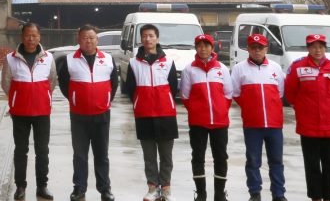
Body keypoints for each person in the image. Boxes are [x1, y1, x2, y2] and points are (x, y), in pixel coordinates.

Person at [55, 25, 118, 201]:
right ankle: (79, 188)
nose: (88, 41)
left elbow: (114, 84)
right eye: (84, 38)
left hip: (102, 114)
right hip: (79, 116)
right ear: (79, 40)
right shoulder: (69, 60)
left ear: (97, 40)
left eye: (92, 38)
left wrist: (106, 100)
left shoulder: (108, 59)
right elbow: (64, 85)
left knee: (102, 154)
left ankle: (105, 189)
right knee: (80, 155)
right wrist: (76, 99)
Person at [285, 33, 330, 201]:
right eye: (313, 47)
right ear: (308, 48)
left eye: (320, 47)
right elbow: (290, 92)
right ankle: (316, 197)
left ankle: (329, 196)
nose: (317, 50)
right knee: (311, 164)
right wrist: (302, 108)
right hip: (308, 125)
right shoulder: (297, 67)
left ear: (325, 48)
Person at [122, 24, 178, 201]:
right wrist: (141, 101)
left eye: (151, 35)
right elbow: (130, 88)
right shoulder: (134, 63)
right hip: (144, 115)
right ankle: (152, 188)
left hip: (166, 115)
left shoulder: (168, 62)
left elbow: (173, 87)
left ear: (157, 38)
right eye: (145, 36)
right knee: (149, 156)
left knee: (166, 156)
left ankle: (166, 189)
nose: (148, 39)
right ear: (141, 39)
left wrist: (164, 100)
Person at [2, 23, 58, 200]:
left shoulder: (48, 57)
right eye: (27, 35)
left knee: (42, 150)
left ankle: (42, 186)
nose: (31, 39)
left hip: (42, 112)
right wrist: (18, 97)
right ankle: (20, 186)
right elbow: (6, 83)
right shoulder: (11, 58)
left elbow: (52, 80)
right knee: (21, 150)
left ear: (39, 37)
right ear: (22, 37)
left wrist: (43, 96)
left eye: (34, 35)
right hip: (20, 112)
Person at [229, 33, 287, 201]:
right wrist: (250, 108)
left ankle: (278, 194)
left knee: (276, 161)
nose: (257, 51)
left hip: (274, 124)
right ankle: (255, 192)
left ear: (266, 49)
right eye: (253, 48)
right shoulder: (239, 69)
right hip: (252, 124)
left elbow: (280, 92)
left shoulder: (275, 67)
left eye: (260, 47)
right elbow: (235, 93)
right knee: (253, 161)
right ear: (248, 49)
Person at [179, 34, 232, 201]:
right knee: (198, 157)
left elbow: (228, 94)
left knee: (221, 157)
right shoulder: (189, 69)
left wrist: (220, 110)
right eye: (200, 45)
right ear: (196, 48)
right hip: (198, 123)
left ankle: (219, 193)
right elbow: (185, 96)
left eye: (206, 45)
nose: (203, 49)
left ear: (212, 47)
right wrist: (196, 111)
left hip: (220, 122)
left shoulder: (222, 68)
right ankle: (201, 194)